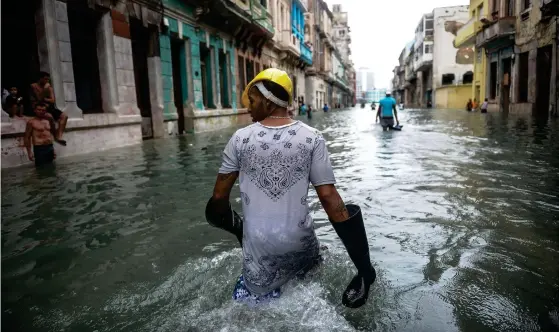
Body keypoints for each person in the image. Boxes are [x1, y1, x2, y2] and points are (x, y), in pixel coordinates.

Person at [205, 68, 376, 308]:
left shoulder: (239, 139)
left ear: (267, 101)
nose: (249, 107)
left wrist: (240, 231)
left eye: (252, 101)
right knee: (308, 298)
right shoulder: (312, 137)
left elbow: (218, 200)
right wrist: (363, 269)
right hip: (301, 246)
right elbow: (329, 198)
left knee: (251, 309)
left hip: (259, 254)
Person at [30, 72, 68, 145]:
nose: (47, 81)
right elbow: (39, 98)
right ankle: (54, 136)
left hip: (48, 107)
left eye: (48, 80)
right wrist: (44, 90)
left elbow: (52, 100)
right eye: (45, 79)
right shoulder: (33, 86)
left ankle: (59, 136)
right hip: (38, 107)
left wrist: (46, 99)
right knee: (50, 117)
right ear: (40, 79)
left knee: (64, 116)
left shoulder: (49, 88)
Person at [24, 102, 57, 167]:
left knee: (51, 167)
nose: (41, 112)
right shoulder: (31, 122)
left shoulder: (48, 121)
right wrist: (29, 152)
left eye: (43, 110)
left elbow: (49, 135)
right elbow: (27, 137)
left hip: (49, 147)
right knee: (41, 168)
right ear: (35, 110)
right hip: (39, 148)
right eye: (39, 110)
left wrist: (53, 149)